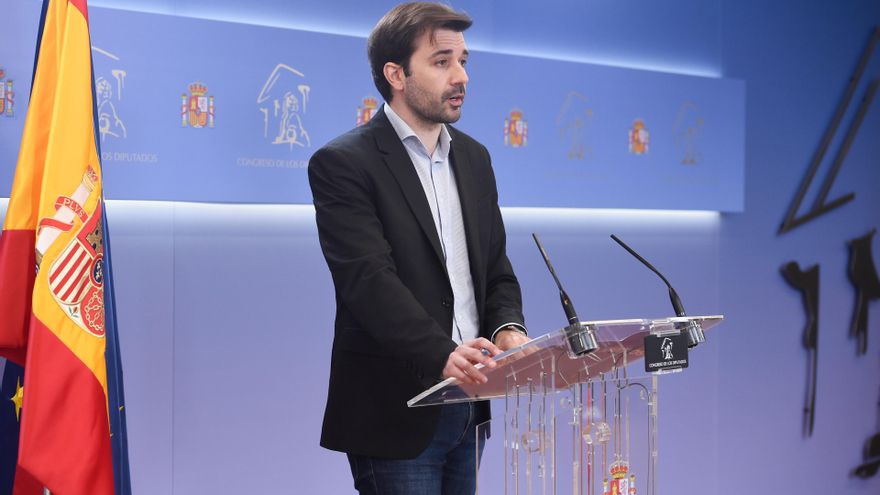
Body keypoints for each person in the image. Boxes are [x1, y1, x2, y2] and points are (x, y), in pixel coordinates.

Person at [308, 3, 529, 493]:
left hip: (471, 407)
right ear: (396, 74)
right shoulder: (344, 163)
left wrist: (509, 328)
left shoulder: (474, 158)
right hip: (396, 409)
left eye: (464, 61)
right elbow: (368, 281)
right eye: (442, 61)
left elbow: (494, 269)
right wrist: (443, 353)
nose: (461, 77)